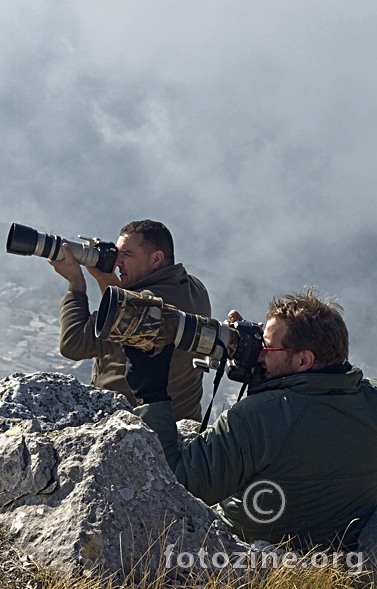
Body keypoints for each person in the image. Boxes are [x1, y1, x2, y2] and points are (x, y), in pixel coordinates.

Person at [125, 286, 377, 550]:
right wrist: (269, 377)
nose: (259, 351)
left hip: (251, 554)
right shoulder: (370, 398)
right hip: (338, 552)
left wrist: (150, 393)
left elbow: (172, 486)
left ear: (304, 360)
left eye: (267, 346)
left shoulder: (254, 419)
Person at [50, 219, 211, 421]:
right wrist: (105, 279)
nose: (118, 263)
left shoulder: (144, 309)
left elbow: (73, 344)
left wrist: (76, 282)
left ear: (156, 259)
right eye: (117, 255)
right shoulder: (194, 288)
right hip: (179, 423)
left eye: (126, 255)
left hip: (135, 427)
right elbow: (122, 312)